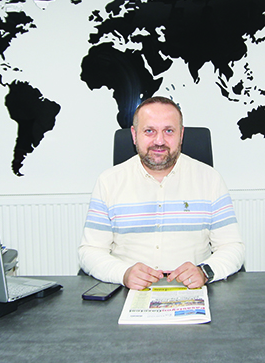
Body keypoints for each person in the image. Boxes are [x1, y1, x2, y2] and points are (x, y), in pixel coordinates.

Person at [78, 96, 245, 290]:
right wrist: (123, 274)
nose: (159, 141)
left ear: (181, 135)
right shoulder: (109, 182)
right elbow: (90, 252)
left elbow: (232, 247)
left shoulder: (210, 180)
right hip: (128, 291)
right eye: (149, 131)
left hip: (191, 291)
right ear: (134, 135)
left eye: (169, 131)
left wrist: (204, 272)